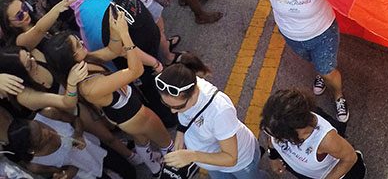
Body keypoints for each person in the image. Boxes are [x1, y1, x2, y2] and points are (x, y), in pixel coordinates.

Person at [200, 0, 349, 123]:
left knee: (329, 71)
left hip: (323, 33)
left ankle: (338, 96)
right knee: (317, 63)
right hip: (293, 37)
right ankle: (321, 71)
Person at [43, 13, 172, 174]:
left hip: (127, 113)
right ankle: (177, 167)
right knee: (165, 141)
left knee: (142, 140)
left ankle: (155, 167)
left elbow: (113, 50)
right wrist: (125, 35)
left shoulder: (85, 60)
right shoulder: (89, 86)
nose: (82, 42)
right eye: (77, 45)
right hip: (132, 115)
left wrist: (115, 27)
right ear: (70, 58)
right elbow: (136, 70)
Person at [156, 57, 260, 179]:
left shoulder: (220, 112)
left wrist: (191, 156)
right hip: (212, 163)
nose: (173, 111)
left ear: (194, 92)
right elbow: (187, 116)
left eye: (178, 107)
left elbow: (231, 158)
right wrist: (181, 132)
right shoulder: (185, 86)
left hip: (241, 164)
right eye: (167, 105)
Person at [261, 89, 366, 179]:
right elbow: (271, 137)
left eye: (278, 136)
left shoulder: (326, 140)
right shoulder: (275, 123)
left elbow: (350, 158)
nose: (274, 138)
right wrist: (273, 156)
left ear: (297, 130)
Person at [7, 115, 136, 179]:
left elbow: (76, 119)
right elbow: (65, 169)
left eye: (41, 127)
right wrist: (66, 174)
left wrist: (78, 134)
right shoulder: (35, 165)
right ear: (31, 149)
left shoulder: (48, 113)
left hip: (94, 148)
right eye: (41, 138)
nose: (47, 132)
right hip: (87, 171)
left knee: (127, 169)